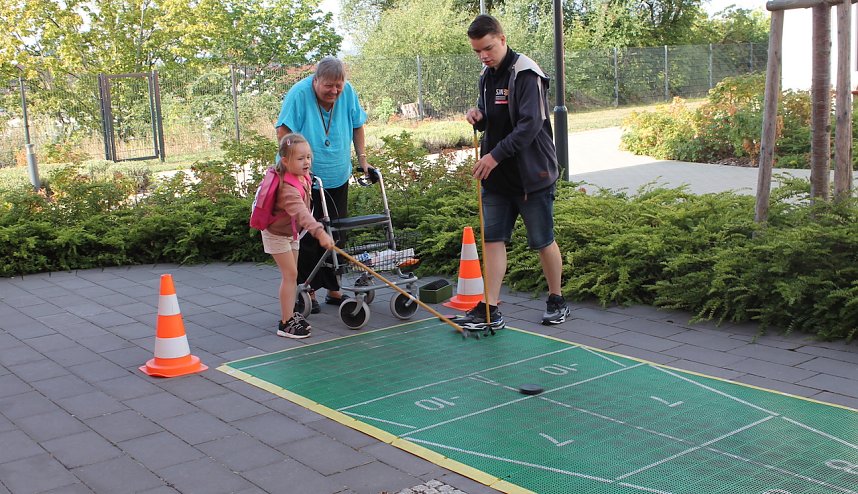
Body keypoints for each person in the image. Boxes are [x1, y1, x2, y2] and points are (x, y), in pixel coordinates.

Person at [459, 14, 571, 332]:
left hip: (531, 175)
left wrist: (493, 157)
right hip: (497, 179)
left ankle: (556, 299)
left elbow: (529, 125)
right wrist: (478, 117)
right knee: (493, 239)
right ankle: (491, 308)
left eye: (488, 48)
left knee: (542, 240)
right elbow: (493, 117)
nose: (483, 55)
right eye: (478, 50)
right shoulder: (487, 74)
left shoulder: (527, 74)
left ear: (503, 39)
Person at [275, 57, 371, 313]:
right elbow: (283, 133)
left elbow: (357, 125)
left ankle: (334, 288)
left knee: (336, 231)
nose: (334, 91)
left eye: (338, 85)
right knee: (307, 237)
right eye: (329, 86)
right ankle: (306, 289)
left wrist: (362, 159)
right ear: (315, 80)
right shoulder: (298, 94)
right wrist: (297, 163)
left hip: (336, 174)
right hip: (304, 179)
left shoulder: (347, 92)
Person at [263, 133, 334, 338]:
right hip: (276, 234)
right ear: (285, 161)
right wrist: (319, 232)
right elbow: (302, 213)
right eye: (300, 158)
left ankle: (290, 315)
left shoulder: (302, 176)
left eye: (308, 157)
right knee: (290, 275)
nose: (307, 162)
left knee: (292, 276)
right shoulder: (287, 188)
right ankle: (285, 323)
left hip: (291, 232)